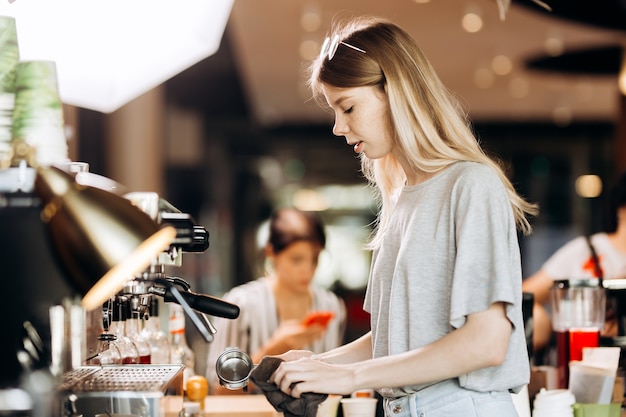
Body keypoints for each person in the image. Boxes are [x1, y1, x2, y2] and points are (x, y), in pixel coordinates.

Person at [266, 16, 538, 417]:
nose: (339, 128)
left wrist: (352, 378)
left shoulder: (471, 184)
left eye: (348, 107)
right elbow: (393, 340)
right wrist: (321, 365)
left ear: (395, 92)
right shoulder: (402, 198)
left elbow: (487, 341)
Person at [206, 207, 346, 394]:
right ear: (271, 253)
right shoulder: (240, 304)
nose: (308, 269)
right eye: (297, 260)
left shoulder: (331, 305)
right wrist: (273, 350)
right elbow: (218, 390)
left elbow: (335, 385)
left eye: (315, 258)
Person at [523, 171, 626, 351]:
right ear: (621, 207)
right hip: (582, 359)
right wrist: (542, 325)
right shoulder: (585, 249)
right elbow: (525, 297)